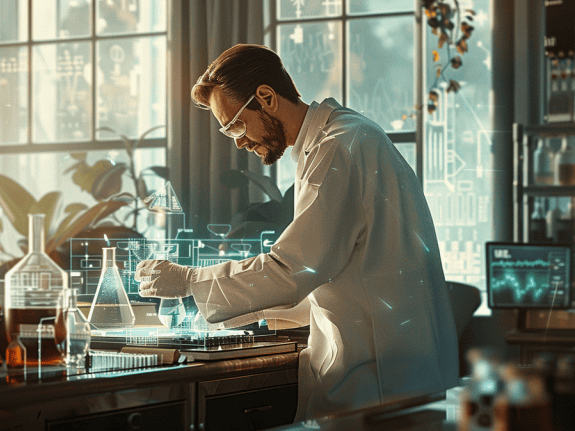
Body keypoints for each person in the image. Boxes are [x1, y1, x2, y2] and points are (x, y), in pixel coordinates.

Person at [135, 44, 459, 421]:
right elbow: (339, 275)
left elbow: (293, 270)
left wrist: (190, 280)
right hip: (394, 372)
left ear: (267, 98)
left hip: (374, 381)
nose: (238, 141)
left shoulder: (336, 148)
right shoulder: (346, 136)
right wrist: (243, 311)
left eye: (235, 125)